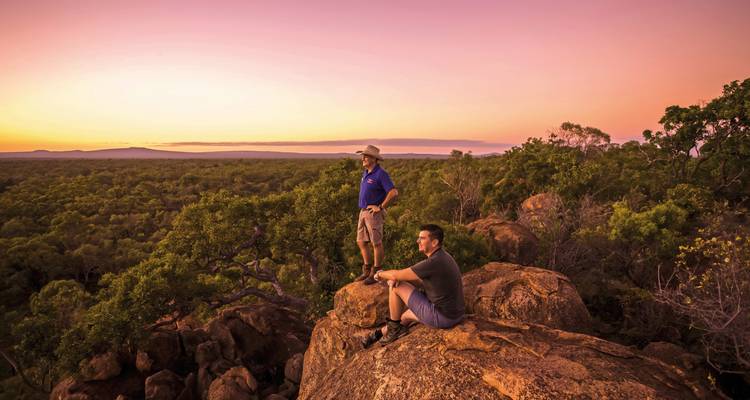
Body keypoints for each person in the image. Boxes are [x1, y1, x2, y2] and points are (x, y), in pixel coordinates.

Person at [362, 224, 465, 347]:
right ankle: (378, 334)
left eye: (422, 238)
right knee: (405, 316)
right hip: (455, 315)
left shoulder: (433, 262)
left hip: (442, 317)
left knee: (397, 285)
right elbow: (423, 282)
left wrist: (380, 274)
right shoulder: (443, 256)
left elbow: (396, 275)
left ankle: (394, 330)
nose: (418, 241)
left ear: (434, 242)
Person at [354, 145, 398, 285]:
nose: (363, 158)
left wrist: (380, 207)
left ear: (374, 159)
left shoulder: (381, 174)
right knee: (361, 241)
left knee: (376, 243)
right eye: (363, 156)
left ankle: (376, 272)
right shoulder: (366, 172)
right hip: (363, 212)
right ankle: (367, 270)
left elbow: (393, 192)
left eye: (366, 156)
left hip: (373, 213)